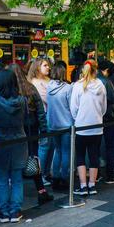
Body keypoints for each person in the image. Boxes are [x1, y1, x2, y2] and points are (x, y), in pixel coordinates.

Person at [7, 64, 53, 205]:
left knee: (15, 161)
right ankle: (41, 191)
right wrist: (43, 129)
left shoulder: (8, 91)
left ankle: (14, 194)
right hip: (31, 128)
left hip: (14, 130)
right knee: (33, 157)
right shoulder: (30, 88)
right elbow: (40, 110)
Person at [0, 70, 28, 223]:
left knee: (2, 179)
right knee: (17, 179)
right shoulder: (22, 101)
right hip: (19, 141)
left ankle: (3, 212)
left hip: (0, 141)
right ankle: (15, 211)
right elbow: (26, 119)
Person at [70, 60, 107, 196]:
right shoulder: (101, 85)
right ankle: (92, 185)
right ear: (95, 70)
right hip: (97, 126)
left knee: (80, 156)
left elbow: (73, 108)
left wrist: (78, 118)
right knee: (94, 155)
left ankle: (83, 185)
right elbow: (104, 107)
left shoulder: (78, 86)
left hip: (81, 126)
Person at [47, 62, 74, 190]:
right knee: (66, 152)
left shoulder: (48, 86)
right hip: (66, 124)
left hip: (53, 124)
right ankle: (64, 178)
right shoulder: (68, 88)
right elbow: (71, 107)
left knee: (57, 151)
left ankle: (55, 177)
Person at [27, 58, 54, 183]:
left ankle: (47, 172)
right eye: (45, 65)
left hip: (53, 115)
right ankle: (41, 174)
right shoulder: (35, 83)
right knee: (44, 145)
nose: (48, 67)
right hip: (44, 116)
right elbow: (48, 99)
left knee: (51, 145)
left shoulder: (48, 80)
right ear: (37, 67)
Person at [96, 60, 114, 183]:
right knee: (110, 146)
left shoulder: (91, 80)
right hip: (108, 116)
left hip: (95, 117)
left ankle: (95, 174)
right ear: (106, 70)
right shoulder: (106, 82)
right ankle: (110, 174)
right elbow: (113, 98)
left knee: (94, 147)